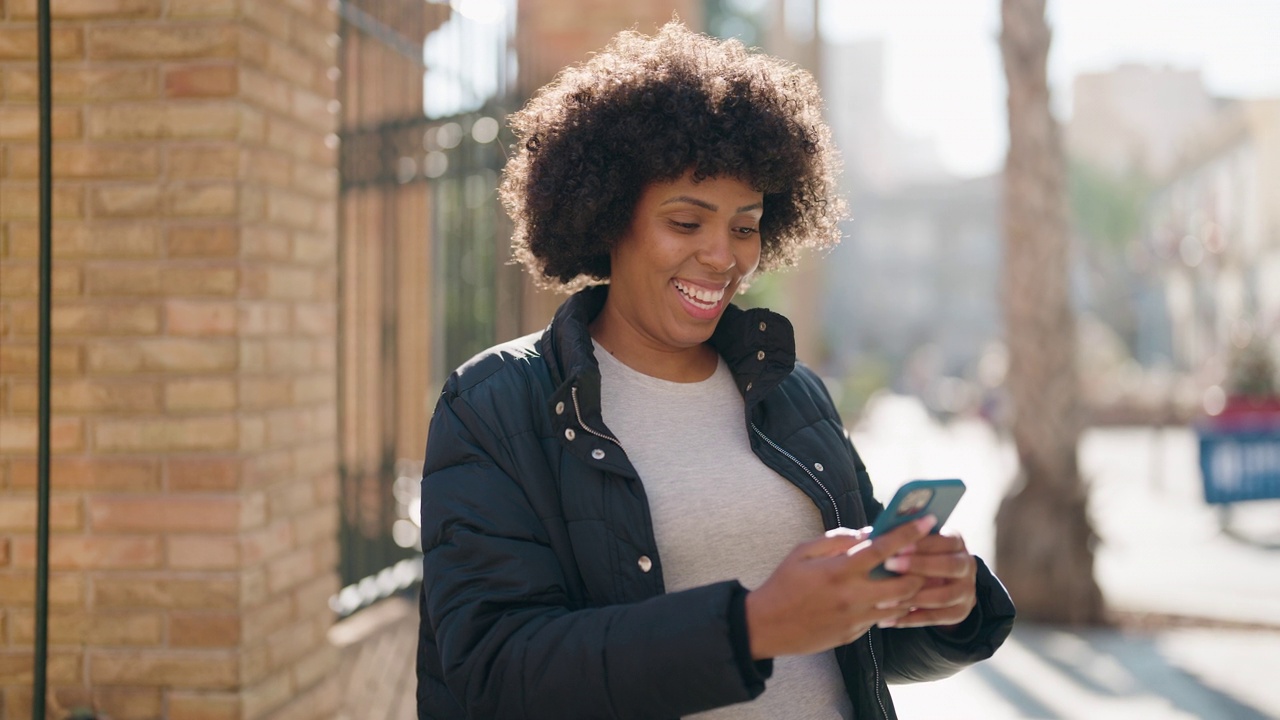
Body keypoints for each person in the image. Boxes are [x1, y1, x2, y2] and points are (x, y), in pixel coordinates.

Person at [416, 21, 1014, 719]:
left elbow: (850, 648)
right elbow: (498, 670)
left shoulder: (793, 395)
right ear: (611, 218)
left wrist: (948, 603)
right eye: (686, 221)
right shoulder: (493, 406)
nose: (723, 257)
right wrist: (749, 627)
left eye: (744, 225)